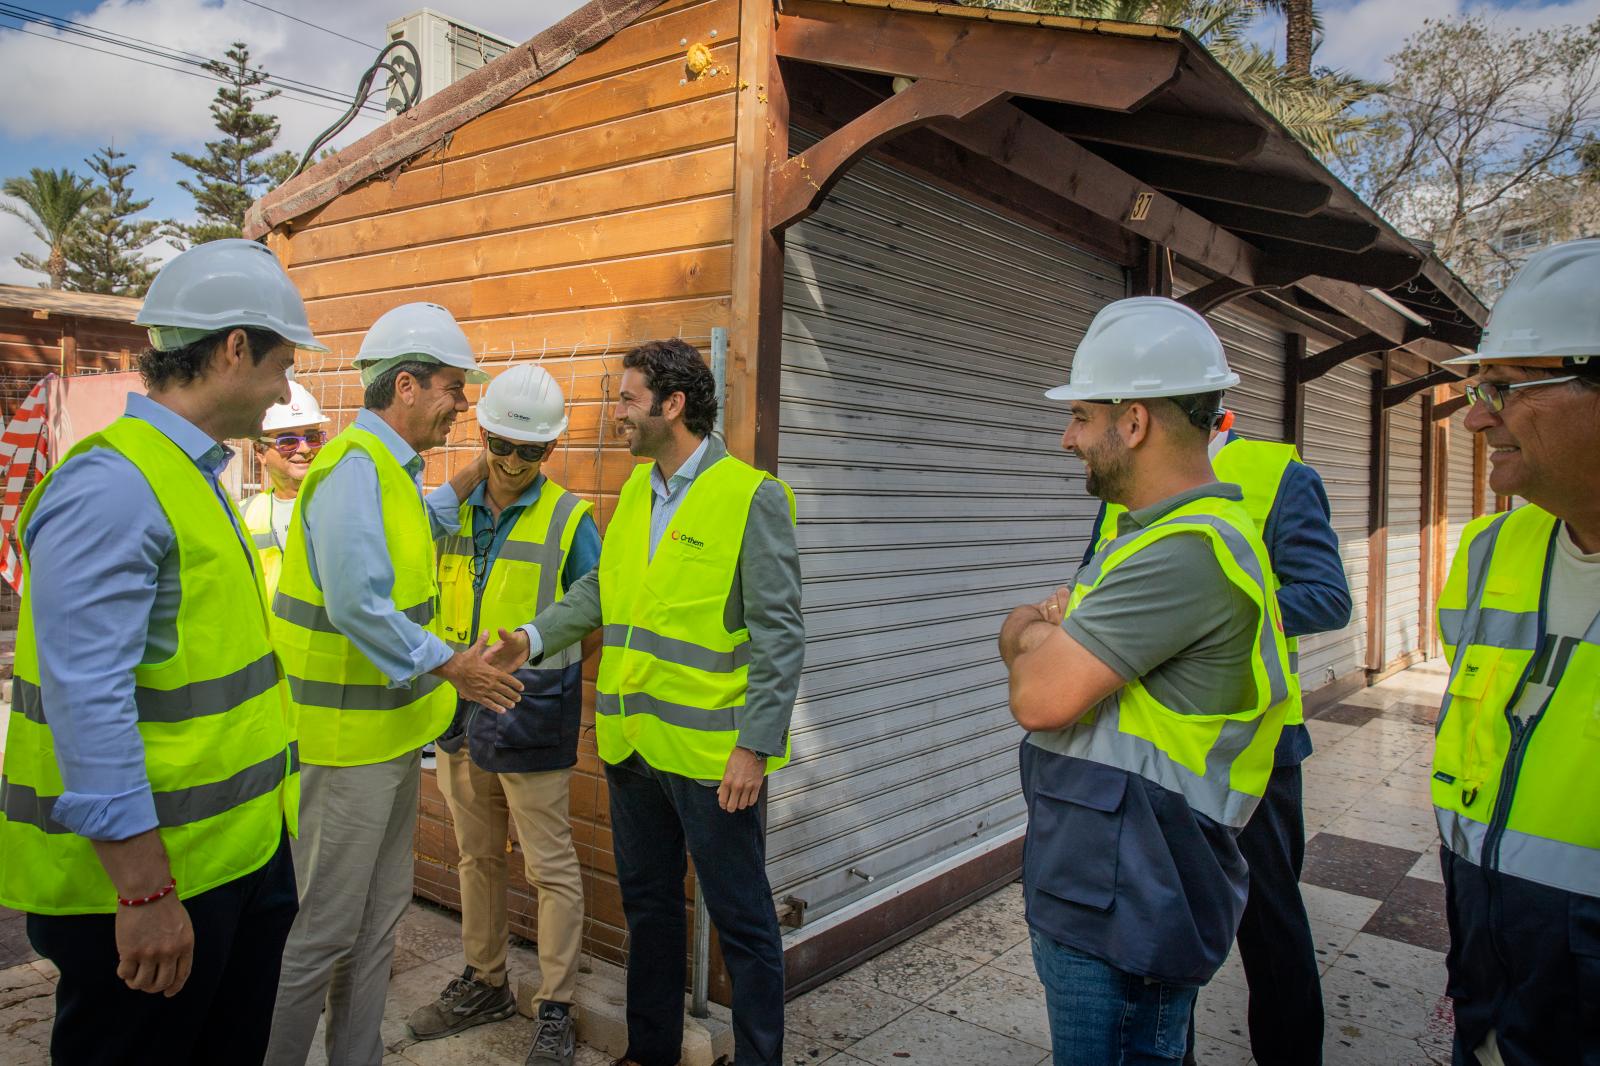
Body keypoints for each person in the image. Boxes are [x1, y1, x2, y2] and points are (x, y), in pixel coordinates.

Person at [0, 239, 321, 1065]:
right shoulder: (113, 486)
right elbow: (87, 702)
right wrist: (143, 891)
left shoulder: (186, 475)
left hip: (228, 864)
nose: (287, 391)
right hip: (149, 887)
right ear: (234, 348)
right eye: (281, 364)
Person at [487, 339, 804, 1066]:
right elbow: (604, 592)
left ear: (673, 405)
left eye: (627, 399)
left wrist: (754, 747)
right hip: (632, 746)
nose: (615, 413)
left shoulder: (751, 496)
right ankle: (650, 1051)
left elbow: (781, 635)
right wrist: (531, 639)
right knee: (650, 911)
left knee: (745, 924)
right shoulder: (636, 492)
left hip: (713, 759)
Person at [999, 297, 1294, 1066]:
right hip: (1109, 882)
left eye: (1082, 417)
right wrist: (1041, 637)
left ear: (1133, 423)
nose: (1068, 438)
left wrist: (1027, 628)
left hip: (1128, 901)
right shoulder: (1148, 536)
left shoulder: (1185, 552)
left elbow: (1038, 694)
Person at [265, 302, 526, 1066]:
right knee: (319, 936)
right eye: (454, 388)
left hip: (385, 744)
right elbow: (357, 604)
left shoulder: (389, 474)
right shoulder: (352, 469)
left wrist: (491, 462)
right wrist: (455, 666)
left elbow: (422, 521)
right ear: (405, 386)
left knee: (375, 926)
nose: (461, 405)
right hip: (342, 752)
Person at [1083, 411, 1351, 1066]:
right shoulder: (1128, 484)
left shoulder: (1278, 475)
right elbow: (1099, 582)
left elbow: (1327, 596)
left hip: (1252, 748)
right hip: (1155, 749)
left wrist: (1213, 605)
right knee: (1166, 934)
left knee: (1270, 928)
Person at [1429, 238, 1600, 1066]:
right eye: (1479, 386)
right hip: (1489, 965)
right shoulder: (1492, 552)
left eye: (1506, 386)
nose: (1475, 415)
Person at [405, 365, 602, 1066]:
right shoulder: (452, 506)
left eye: (533, 451)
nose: (516, 463)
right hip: (459, 706)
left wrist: (533, 641)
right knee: (475, 855)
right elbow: (407, 536)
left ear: (549, 451)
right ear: (483, 434)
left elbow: (597, 597)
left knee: (550, 866)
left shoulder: (570, 517)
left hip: (530, 706)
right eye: (504, 445)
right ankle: (485, 980)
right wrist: (460, 478)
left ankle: (556, 1006)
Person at [241, 380, 330, 598]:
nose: (305, 448)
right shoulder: (244, 515)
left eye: (312, 437)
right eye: (288, 441)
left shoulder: (344, 503)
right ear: (260, 452)